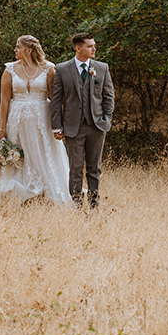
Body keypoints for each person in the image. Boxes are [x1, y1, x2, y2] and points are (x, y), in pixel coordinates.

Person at [0, 35, 73, 206]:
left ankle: (46, 191)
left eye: (18, 47)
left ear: (29, 50)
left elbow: (55, 99)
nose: (15, 50)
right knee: (19, 153)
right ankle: (17, 194)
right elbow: (4, 99)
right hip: (18, 120)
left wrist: (58, 124)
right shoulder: (9, 70)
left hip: (42, 121)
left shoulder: (49, 68)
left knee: (43, 152)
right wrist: (2, 127)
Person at [50, 32, 114, 208]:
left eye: (94, 45)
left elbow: (109, 96)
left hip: (97, 126)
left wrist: (106, 119)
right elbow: (56, 100)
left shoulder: (102, 68)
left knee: (95, 168)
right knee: (75, 169)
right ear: (78, 48)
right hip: (72, 127)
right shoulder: (62, 69)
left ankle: (94, 205)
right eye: (90, 46)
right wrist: (56, 126)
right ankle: (77, 205)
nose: (94, 48)